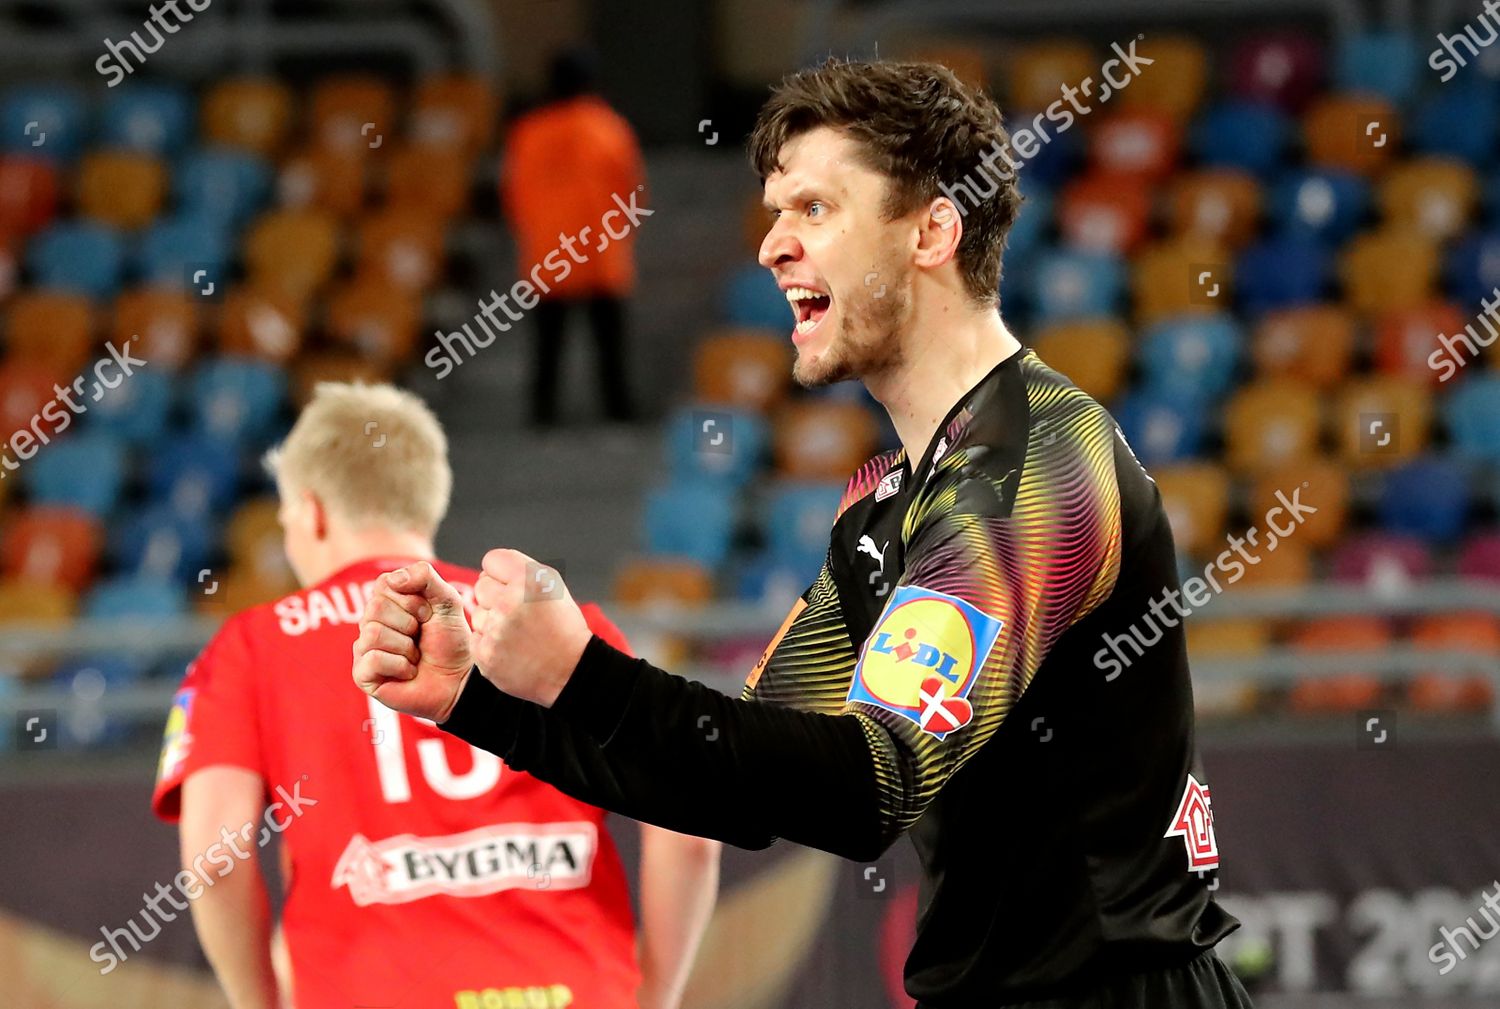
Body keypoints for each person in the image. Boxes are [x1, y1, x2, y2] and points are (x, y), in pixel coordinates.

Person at [353, 60, 1255, 1009]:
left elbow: (872, 784)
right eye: (778, 210)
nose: (771, 246)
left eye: (815, 209)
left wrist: (582, 672)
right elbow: (739, 782)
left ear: (933, 231)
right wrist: (480, 702)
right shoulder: (885, 500)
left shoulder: (1035, 465)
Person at [152, 381, 719, 1009]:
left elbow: (215, 858)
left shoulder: (250, 646)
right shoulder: (551, 621)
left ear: (310, 512)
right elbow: (689, 827)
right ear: (426, 504)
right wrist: (655, 992)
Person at [502, 48, 643, 427]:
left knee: (548, 345)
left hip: (550, 257)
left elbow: (514, 195)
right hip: (600, 255)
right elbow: (631, 192)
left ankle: (542, 413)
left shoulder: (528, 132)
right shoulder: (609, 128)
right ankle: (618, 410)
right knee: (609, 345)